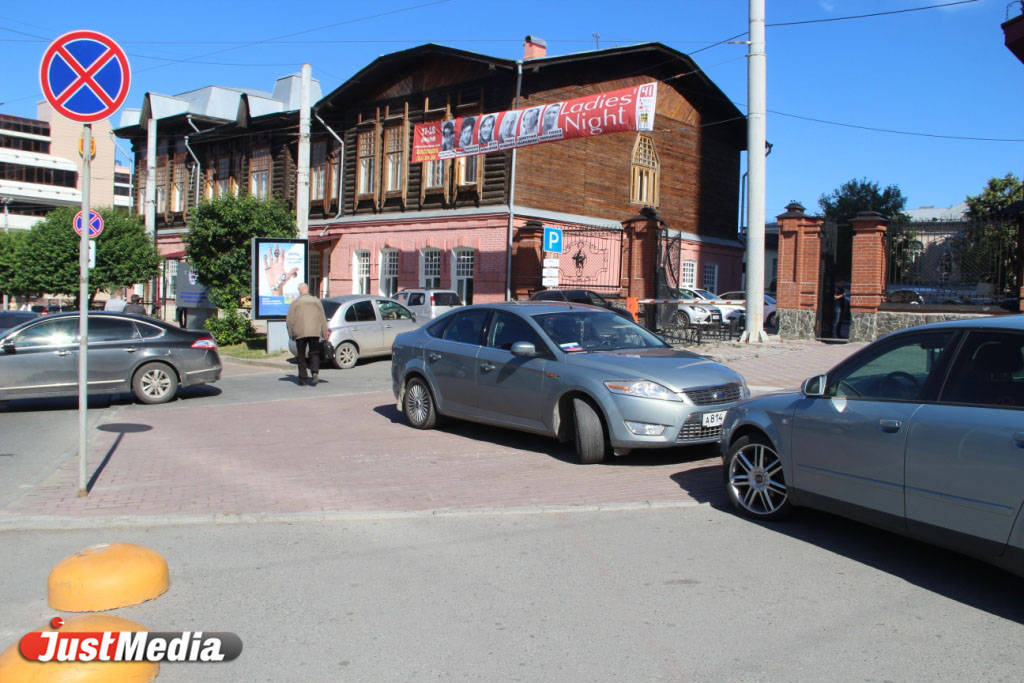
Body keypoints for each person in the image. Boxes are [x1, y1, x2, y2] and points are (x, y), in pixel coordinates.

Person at [286, 282, 329, 387]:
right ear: (308, 289)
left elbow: (289, 321)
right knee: (314, 353)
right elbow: (322, 317)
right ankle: (314, 373)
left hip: (300, 333)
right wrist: (324, 332)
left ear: (300, 291)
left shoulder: (295, 303)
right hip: (314, 332)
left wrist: (291, 334)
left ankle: (303, 378)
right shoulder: (316, 301)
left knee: (301, 355)